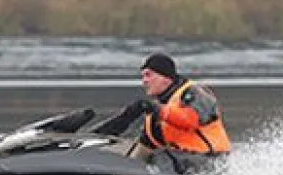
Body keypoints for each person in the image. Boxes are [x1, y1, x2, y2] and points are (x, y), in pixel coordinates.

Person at [91, 52, 231, 160]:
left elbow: (190, 120)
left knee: (164, 159)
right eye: (142, 76)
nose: (144, 81)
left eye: (148, 75)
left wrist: (158, 110)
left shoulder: (194, 92)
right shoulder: (154, 116)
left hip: (211, 161)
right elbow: (143, 150)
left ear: (165, 78)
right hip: (180, 164)